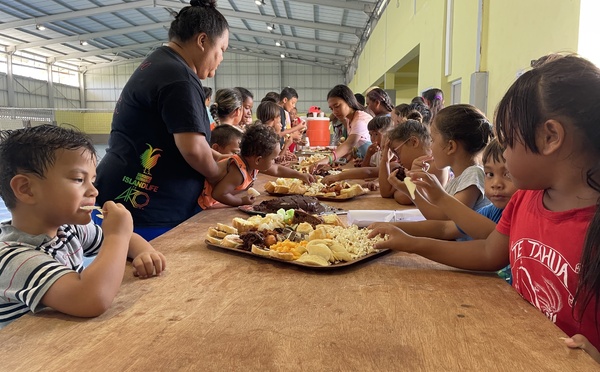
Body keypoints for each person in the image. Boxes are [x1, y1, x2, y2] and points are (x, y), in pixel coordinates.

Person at [370, 54, 600, 363]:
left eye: (507, 141)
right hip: (516, 350)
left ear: (549, 137)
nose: (502, 152)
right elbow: (488, 252)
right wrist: (410, 243)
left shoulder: (590, 226)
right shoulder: (526, 200)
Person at [0, 125, 166, 329]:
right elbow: (90, 299)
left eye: (92, 181)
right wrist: (117, 236)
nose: (94, 191)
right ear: (26, 189)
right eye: (79, 179)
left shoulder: (68, 229)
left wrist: (144, 253)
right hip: (28, 357)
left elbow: (129, 240)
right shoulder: (13, 259)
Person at [95, 0, 229, 241]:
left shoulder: (161, 63)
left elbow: (170, 135)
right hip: (146, 210)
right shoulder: (180, 78)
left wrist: (214, 156)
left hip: (129, 200)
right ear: (202, 41)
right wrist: (220, 175)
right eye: (222, 49)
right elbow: (194, 151)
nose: (221, 59)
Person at [374, 139, 517, 283]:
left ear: (451, 145)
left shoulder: (473, 174)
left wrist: (440, 198)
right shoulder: (492, 211)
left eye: (508, 174)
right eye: (490, 174)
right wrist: (390, 228)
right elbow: (444, 228)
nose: (496, 184)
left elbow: (489, 245)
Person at [388, 104, 492, 218]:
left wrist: (410, 191)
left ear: (450, 147)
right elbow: (432, 207)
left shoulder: (473, 175)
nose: (430, 147)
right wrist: (415, 182)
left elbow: (443, 218)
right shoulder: (457, 180)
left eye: (433, 140)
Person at [198, 124, 313, 208]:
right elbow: (218, 194)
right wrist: (241, 201)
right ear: (258, 159)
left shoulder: (252, 164)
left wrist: (300, 175)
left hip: (217, 201)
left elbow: (277, 170)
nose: (274, 162)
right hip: (206, 203)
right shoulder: (238, 171)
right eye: (272, 159)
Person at [378, 114, 449, 205]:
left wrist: (398, 190)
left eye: (398, 152)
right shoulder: (415, 165)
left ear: (414, 142)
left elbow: (404, 198)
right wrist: (385, 160)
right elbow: (386, 192)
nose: (398, 160)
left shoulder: (435, 165)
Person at [321, 84, 373, 165]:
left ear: (348, 101)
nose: (334, 112)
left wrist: (327, 160)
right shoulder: (349, 119)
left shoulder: (360, 120)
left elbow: (349, 144)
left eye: (337, 106)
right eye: (332, 109)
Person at [255, 101, 300, 166]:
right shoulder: (266, 139)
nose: (281, 126)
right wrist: (286, 147)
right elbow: (269, 166)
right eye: (279, 122)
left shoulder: (262, 134)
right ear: (273, 119)